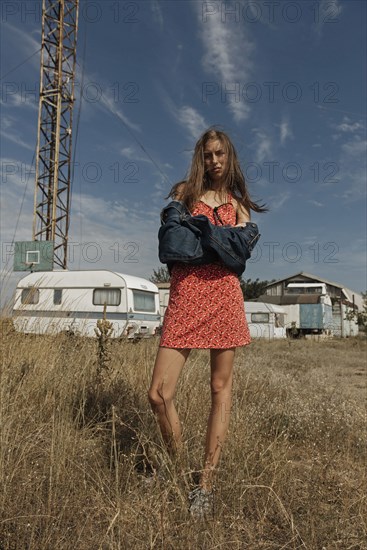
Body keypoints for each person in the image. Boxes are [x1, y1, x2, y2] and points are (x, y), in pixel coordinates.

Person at [148, 128, 267, 518]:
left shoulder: (239, 203)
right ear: (200, 157)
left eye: (220, 154)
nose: (214, 161)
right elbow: (171, 244)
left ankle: (206, 484)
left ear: (229, 157)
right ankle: (179, 468)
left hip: (224, 298)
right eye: (207, 154)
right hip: (186, 296)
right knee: (158, 394)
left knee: (220, 389)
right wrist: (218, 241)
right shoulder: (184, 193)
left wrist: (202, 237)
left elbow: (238, 255)